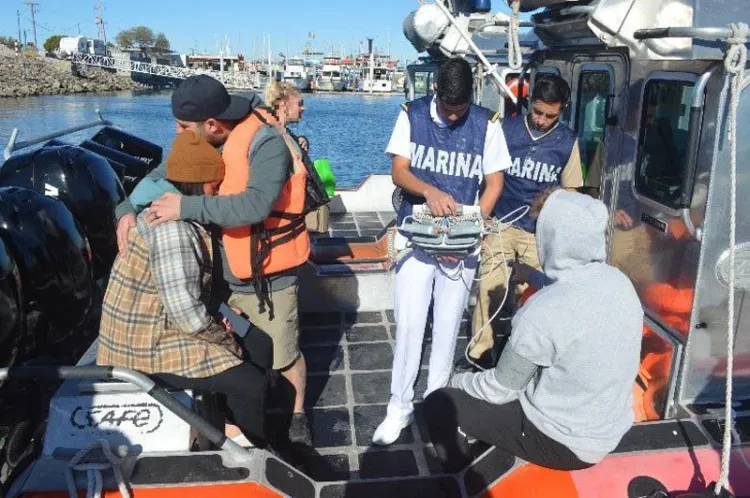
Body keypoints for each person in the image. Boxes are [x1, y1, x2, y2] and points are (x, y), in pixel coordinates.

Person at [114, 74, 314, 446]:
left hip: (267, 277)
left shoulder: (266, 142)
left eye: (183, 125)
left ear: (211, 125)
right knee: (243, 351)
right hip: (221, 274)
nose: (176, 132)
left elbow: (255, 205)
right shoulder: (200, 140)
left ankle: (298, 412)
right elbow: (163, 174)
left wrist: (185, 206)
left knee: (283, 354)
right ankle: (241, 421)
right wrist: (126, 208)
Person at [424, 188, 642, 472]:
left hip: (562, 442)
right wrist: (531, 276)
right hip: (609, 425)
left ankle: (461, 474)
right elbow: (573, 300)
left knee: (438, 404)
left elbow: (499, 391)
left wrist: (458, 381)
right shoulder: (619, 282)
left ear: (552, 239)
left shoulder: (541, 312)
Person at [98, 129, 270, 448]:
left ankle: (230, 423)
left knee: (260, 342)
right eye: (213, 184)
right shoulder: (173, 231)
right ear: (195, 183)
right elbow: (187, 315)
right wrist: (225, 338)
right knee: (251, 383)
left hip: (167, 320)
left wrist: (223, 314)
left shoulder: (171, 210)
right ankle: (257, 452)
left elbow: (186, 294)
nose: (217, 191)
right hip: (143, 345)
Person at [372, 57, 508, 445]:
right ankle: (398, 407)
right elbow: (400, 170)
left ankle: (437, 405)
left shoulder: (487, 123)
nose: (453, 116)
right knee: (412, 325)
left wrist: (467, 234)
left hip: (462, 241)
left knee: (448, 329)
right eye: (448, 109)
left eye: (460, 109)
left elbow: (494, 185)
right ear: (434, 91)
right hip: (417, 236)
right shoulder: (411, 115)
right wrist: (429, 191)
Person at [466, 73, 584, 369]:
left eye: (550, 115)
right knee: (488, 289)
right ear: (529, 103)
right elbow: (485, 176)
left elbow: (571, 191)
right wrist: (484, 220)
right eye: (538, 112)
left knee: (533, 295)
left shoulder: (568, 142)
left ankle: (523, 352)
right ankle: (480, 350)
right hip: (502, 223)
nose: (542, 120)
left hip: (538, 233)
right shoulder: (505, 130)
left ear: (563, 109)